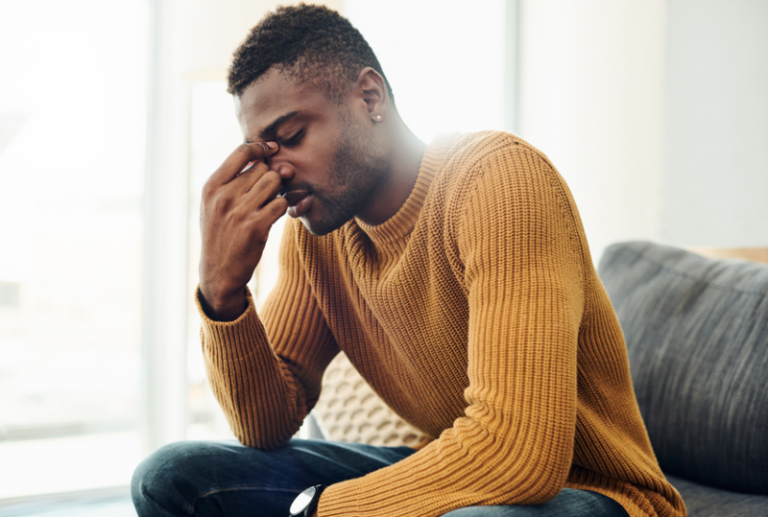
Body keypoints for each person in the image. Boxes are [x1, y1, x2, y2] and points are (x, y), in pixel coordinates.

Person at [131, 5, 686, 517]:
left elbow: (521, 453)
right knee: (173, 476)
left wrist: (323, 511)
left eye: (293, 136)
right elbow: (266, 424)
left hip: (592, 491)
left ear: (370, 98)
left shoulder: (499, 182)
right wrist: (221, 294)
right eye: (262, 154)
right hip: (458, 467)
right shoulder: (315, 234)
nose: (277, 174)